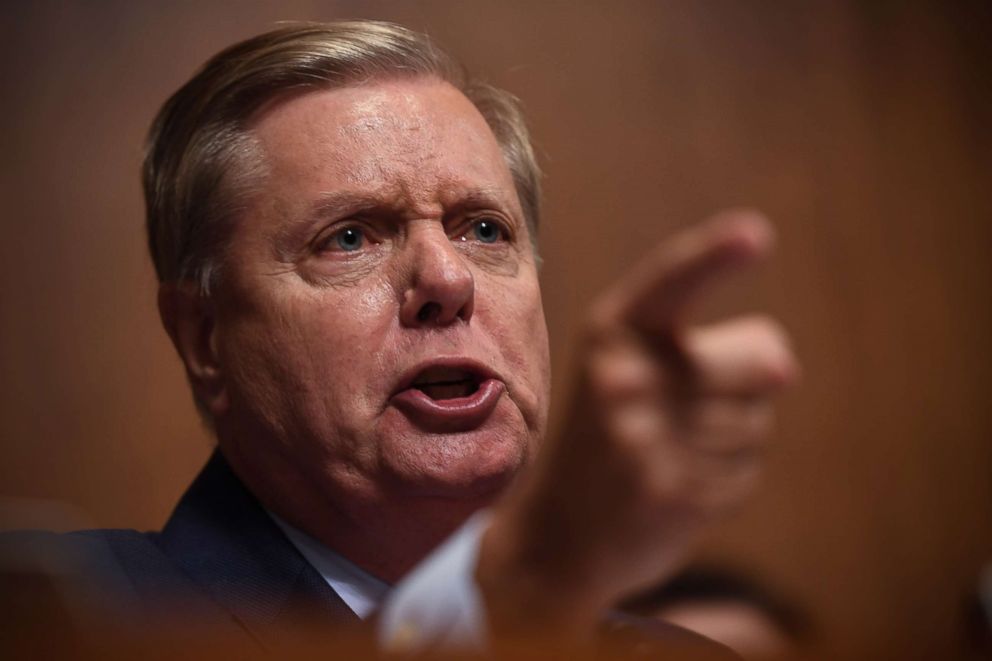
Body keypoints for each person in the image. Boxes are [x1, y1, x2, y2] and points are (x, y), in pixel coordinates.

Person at [0, 19, 798, 656]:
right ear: (205, 338)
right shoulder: (61, 622)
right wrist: (523, 590)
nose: (448, 281)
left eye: (484, 228)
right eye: (350, 238)